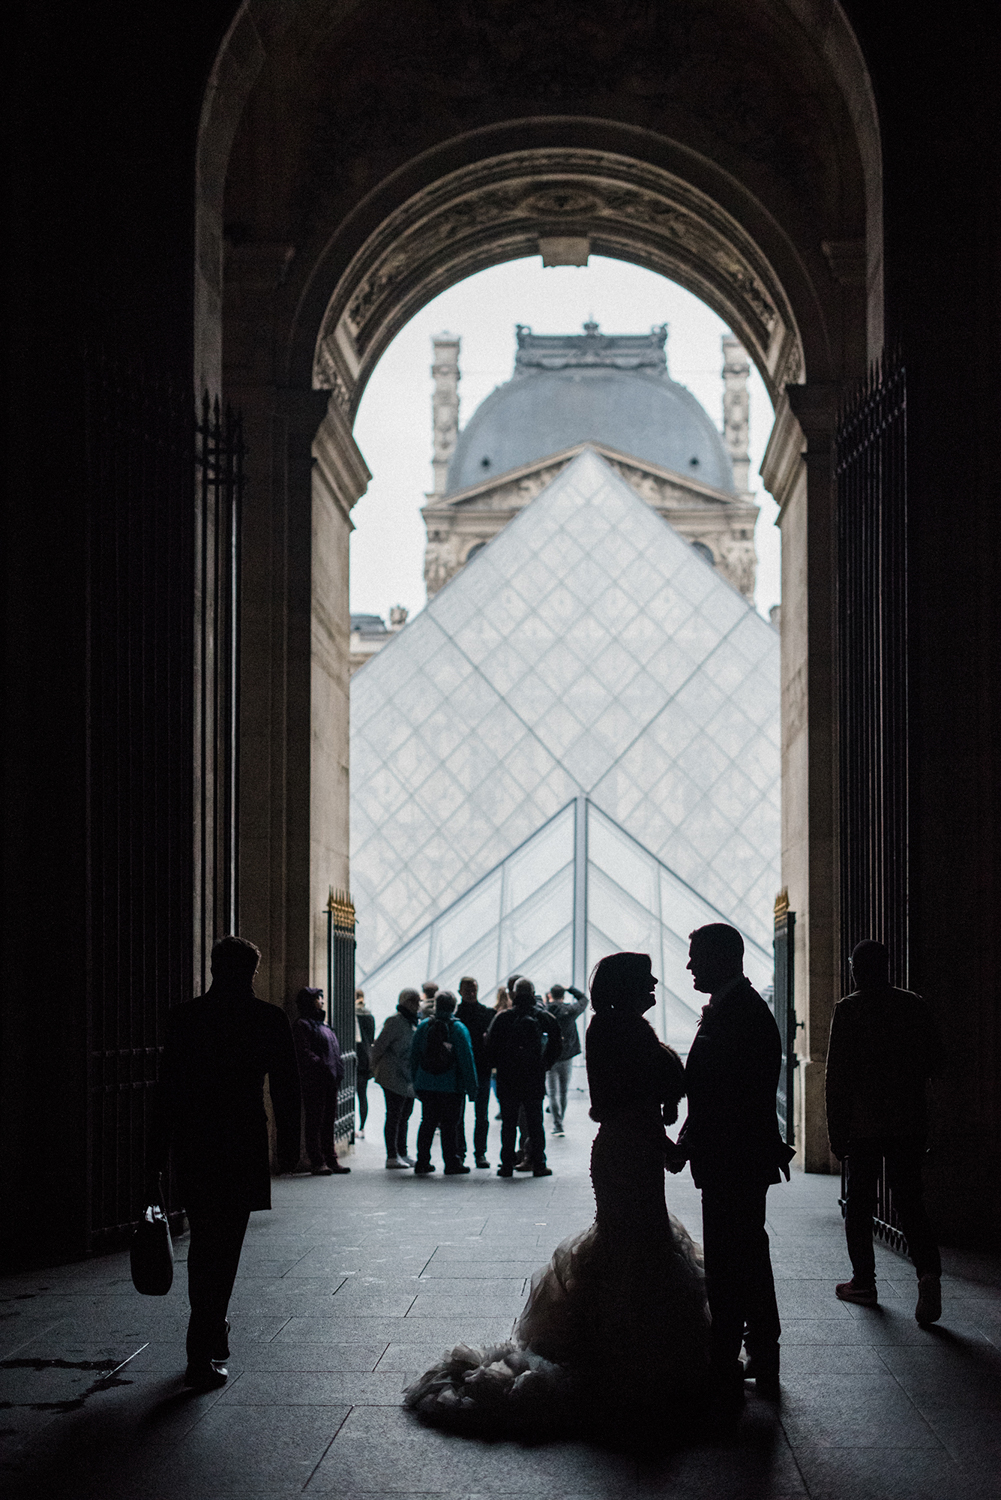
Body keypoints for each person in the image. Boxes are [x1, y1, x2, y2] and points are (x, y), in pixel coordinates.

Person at [405, 951, 710, 1434]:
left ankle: (618, 1349)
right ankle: (636, 1354)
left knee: (628, 1245)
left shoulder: (610, 1027)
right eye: (647, 979)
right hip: (631, 1148)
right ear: (628, 986)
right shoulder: (617, 1029)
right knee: (637, 1246)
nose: (657, 984)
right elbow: (624, 1097)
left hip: (632, 1147)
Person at [149, 935, 301, 1391]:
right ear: (252, 971)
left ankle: (209, 1334)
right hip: (241, 1142)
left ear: (213, 968)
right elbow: (286, 1090)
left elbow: (167, 1092)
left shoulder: (185, 1017)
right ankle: (207, 1338)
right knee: (225, 1248)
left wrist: (155, 1156)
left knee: (203, 1245)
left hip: (195, 1143)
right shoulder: (268, 1019)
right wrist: (289, 1149)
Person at [675, 923, 793, 1408]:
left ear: (722, 958)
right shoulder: (739, 1007)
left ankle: (730, 1356)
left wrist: (687, 1139)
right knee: (743, 1255)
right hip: (735, 1157)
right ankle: (756, 1351)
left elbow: (726, 1097)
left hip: (733, 1159)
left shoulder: (740, 1013)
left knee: (732, 1260)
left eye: (696, 956)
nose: (688, 966)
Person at [826, 938, 942, 1324]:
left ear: (856, 969)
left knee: (859, 1205)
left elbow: (836, 1077)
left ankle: (863, 1281)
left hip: (864, 1125)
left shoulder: (849, 1009)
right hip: (909, 1121)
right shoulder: (914, 1005)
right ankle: (928, 1275)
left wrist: (837, 1130)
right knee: (910, 1202)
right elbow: (937, 1063)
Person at [483, 977, 561, 1177]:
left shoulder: (503, 1018)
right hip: (533, 1077)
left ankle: (506, 1165)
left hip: (508, 1078)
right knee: (535, 1123)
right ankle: (539, 1163)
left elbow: (490, 1047)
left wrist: (499, 1065)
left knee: (508, 1124)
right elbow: (557, 1044)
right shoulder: (543, 1017)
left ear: (514, 994)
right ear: (533, 993)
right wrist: (544, 1064)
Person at [410, 990, 479, 1174]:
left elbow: (414, 1055)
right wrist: (472, 1088)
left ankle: (422, 1161)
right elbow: (466, 1059)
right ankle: (451, 1162)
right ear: (454, 1007)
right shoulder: (458, 1029)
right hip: (451, 1085)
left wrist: (415, 1081)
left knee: (427, 1122)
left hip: (426, 1084)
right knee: (450, 1126)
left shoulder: (424, 1026)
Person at [292, 987, 351, 1176]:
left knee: (327, 1121)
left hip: (328, 1080)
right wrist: (324, 1068)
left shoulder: (322, 1025)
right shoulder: (304, 1025)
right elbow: (304, 1052)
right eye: (319, 998)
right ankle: (317, 1160)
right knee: (316, 1121)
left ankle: (329, 1158)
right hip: (316, 1080)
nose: (322, 1001)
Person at [370, 988, 420, 1168]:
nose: (416, 1005)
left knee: (405, 1114)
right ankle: (392, 1155)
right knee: (394, 1115)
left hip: (406, 1076)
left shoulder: (413, 1022)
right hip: (392, 1076)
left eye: (417, 1001)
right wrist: (375, 1068)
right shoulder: (395, 1022)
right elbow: (379, 1047)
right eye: (413, 1001)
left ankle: (402, 1152)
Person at [455, 976, 495, 1167]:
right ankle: (479, 1153)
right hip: (482, 1068)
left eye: (473, 989)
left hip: (462, 1070)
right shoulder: (487, 1014)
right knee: (480, 1114)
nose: (471, 993)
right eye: (469, 989)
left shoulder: (456, 1016)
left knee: (461, 1114)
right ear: (461, 991)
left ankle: (462, 1153)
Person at [543, 982, 588, 1136]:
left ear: (550, 995)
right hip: (567, 1055)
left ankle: (557, 1124)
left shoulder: (546, 1011)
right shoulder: (570, 1011)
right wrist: (572, 989)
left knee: (552, 1093)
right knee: (563, 1092)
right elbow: (584, 1000)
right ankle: (560, 1119)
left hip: (550, 1057)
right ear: (563, 995)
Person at [354, 989, 376, 1138]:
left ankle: (350, 1127)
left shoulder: (351, 1014)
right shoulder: (370, 1016)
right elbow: (372, 1036)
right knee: (363, 1095)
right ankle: (362, 1127)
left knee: (347, 1094)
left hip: (353, 1056)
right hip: (366, 1058)